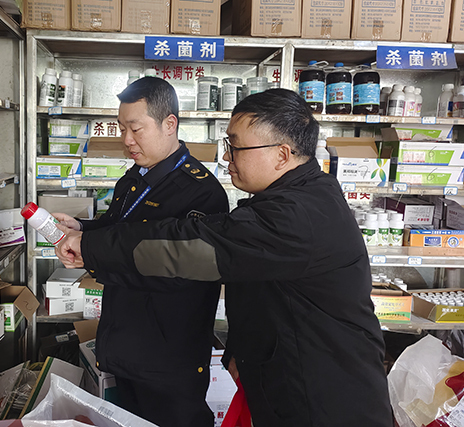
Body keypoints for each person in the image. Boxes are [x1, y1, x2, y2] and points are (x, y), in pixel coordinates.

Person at [55, 89, 393, 427]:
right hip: (293, 380)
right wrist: (241, 351)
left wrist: (92, 248)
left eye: (236, 146)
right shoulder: (293, 197)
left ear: (282, 154)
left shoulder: (296, 216)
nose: (227, 157)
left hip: (325, 401)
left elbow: (190, 247)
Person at [52, 76, 229, 427]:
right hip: (126, 345)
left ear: (169, 124)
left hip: (168, 358)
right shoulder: (134, 179)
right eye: (121, 128)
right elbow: (119, 229)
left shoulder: (201, 193)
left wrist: (93, 252)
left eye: (135, 129)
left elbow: (178, 270)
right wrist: (83, 230)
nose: (126, 140)